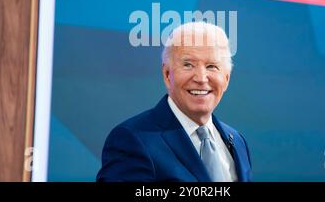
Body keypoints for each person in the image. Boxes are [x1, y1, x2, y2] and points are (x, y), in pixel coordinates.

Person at [96, 21, 252, 182]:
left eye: (212, 66)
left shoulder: (237, 141)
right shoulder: (132, 140)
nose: (201, 78)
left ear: (226, 79)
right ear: (167, 74)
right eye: (188, 65)